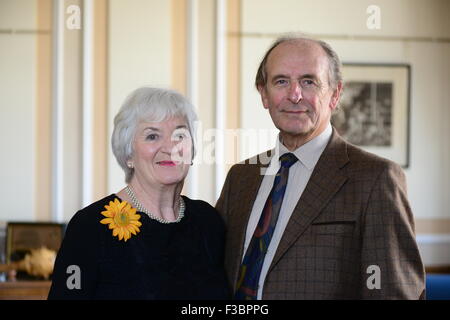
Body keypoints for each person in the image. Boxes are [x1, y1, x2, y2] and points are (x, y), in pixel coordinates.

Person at [216, 35, 425, 299]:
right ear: (264, 94)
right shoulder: (241, 177)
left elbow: (394, 291)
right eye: (281, 81)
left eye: (309, 81)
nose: (294, 95)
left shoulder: (375, 178)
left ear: (335, 94)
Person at [48, 87, 230, 299]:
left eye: (180, 135)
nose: (169, 147)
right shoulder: (90, 227)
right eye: (152, 136)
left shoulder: (208, 221)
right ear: (128, 154)